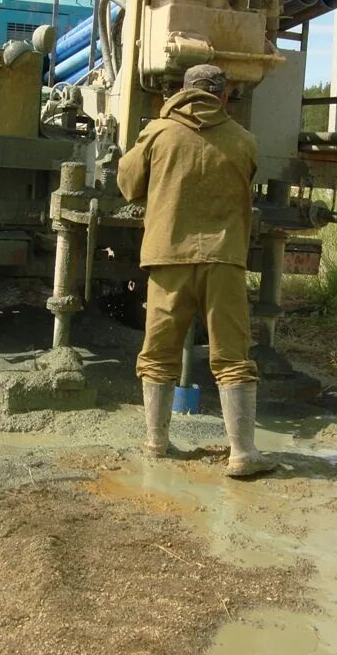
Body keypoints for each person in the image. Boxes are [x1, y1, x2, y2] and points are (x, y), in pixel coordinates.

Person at [117, 64, 276, 478]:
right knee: (232, 355)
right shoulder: (244, 140)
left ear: (182, 92)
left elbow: (128, 184)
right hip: (224, 259)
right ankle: (242, 453)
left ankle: (156, 442)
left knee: (158, 352)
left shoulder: (157, 133)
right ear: (224, 97)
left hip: (168, 257)